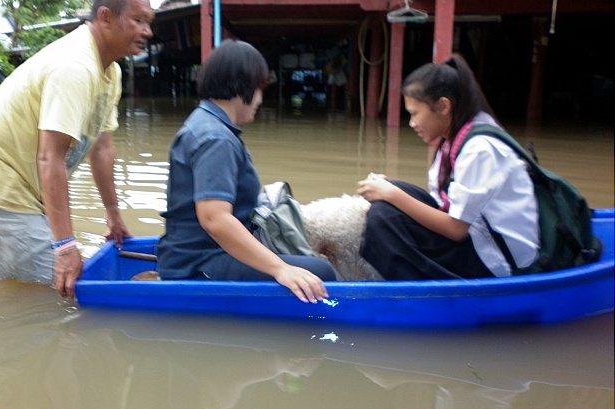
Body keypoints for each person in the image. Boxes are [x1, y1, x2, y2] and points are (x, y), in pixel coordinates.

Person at [0, 0, 154, 297]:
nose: (147, 31)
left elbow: (102, 149)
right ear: (105, 17)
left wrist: (114, 216)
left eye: (148, 21)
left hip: (15, 189)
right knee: (66, 295)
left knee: (20, 292)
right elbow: (50, 157)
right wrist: (65, 246)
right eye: (138, 20)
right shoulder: (75, 67)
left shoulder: (110, 71)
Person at [156, 39, 336, 303]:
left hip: (199, 253)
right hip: (199, 263)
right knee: (321, 272)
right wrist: (280, 269)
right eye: (260, 88)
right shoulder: (215, 138)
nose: (261, 99)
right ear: (244, 86)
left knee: (304, 261)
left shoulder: (207, 123)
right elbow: (214, 220)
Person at [356, 54, 539, 280]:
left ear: (442, 106)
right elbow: (443, 205)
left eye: (414, 114)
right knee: (389, 197)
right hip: (477, 236)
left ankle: (422, 291)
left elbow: (455, 228)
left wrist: (393, 195)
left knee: (384, 218)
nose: (412, 123)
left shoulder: (479, 149)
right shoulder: (455, 137)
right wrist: (390, 191)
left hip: (498, 259)